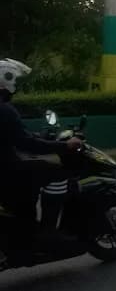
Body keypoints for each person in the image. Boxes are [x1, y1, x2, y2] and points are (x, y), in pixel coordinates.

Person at [0, 58, 82, 248]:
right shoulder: (5, 110)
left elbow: (15, 136)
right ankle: (48, 232)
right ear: (7, 80)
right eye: (15, 82)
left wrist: (39, 136)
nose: (16, 86)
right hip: (7, 170)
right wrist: (64, 146)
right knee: (59, 173)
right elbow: (28, 144)